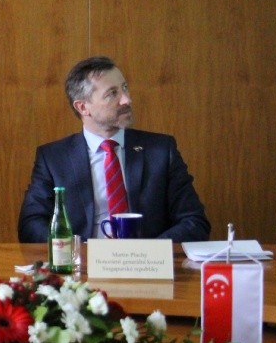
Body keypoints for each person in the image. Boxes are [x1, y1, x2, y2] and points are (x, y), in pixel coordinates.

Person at [18, 56, 210, 243]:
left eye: (124, 88)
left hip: (146, 261)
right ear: (83, 107)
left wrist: (148, 252)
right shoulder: (53, 159)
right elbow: (31, 225)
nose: (126, 99)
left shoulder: (161, 151)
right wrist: (77, 250)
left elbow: (194, 221)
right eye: (112, 93)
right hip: (83, 260)